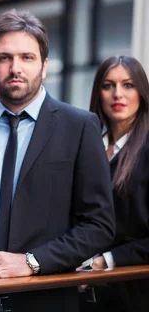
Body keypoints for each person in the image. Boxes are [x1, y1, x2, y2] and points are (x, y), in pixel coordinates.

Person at [0, 9, 116, 312]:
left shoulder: (79, 127)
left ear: (44, 66)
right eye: (4, 58)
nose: (15, 67)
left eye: (27, 57)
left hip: (42, 298)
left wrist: (33, 262)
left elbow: (98, 225)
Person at [80, 56, 149, 311]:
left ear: (142, 92)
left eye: (128, 85)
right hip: (84, 291)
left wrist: (105, 261)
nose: (117, 94)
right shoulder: (86, 144)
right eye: (108, 85)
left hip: (135, 292)